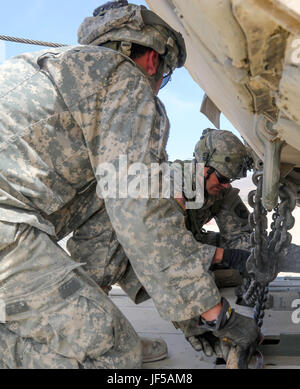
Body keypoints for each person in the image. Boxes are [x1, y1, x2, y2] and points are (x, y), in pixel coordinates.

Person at [0, 1, 260, 369]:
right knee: (115, 353)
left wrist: (191, 316)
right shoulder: (123, 81)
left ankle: (77, 330)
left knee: (107, 231)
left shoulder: (64, 75)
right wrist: (216, 314)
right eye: (165, 77)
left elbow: (117, 238)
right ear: (153, 60)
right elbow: (144, 217)